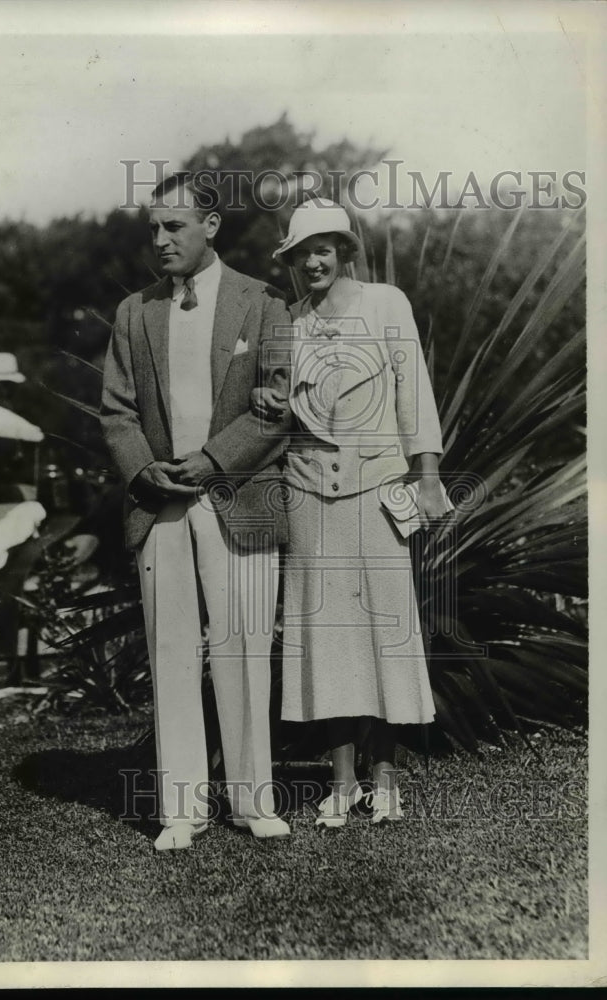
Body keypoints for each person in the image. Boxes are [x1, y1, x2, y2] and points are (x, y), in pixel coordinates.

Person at [99, 173, 293, 850]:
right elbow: (117, 414)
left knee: (244, 649)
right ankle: (181, 807)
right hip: (162, 507)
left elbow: (279, 403)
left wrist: (212, 461)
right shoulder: (135, 312)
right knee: (172, 649)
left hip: (240, 497)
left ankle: (252, 801)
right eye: (153, 228)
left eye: (174, 226)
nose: (160, 240)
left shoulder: (264, 303)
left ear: (211, 227)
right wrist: (143, 469)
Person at [252, 198, 451, 827]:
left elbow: (412, 390)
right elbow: (278, 409)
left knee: (383, 633)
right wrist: (265, 397)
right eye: (301, 253)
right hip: (310, 493)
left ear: (344, 252)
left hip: (377, 490)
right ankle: (339, 783)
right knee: (325, 637)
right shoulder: (288, 321)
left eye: (323, 249)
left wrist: (427, 476)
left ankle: (385, 779)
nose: (312, 261)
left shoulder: (386, 304)